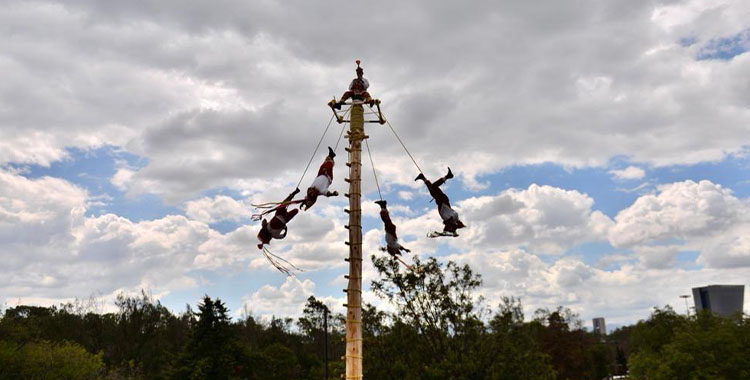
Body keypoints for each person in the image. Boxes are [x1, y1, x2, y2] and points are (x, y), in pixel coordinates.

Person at [415, 168, 466, 235]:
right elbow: (450, 223)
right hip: (442, 200)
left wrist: (450, 231)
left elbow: (452, 223)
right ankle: (447, 176)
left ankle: (423, 177)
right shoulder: (451, 218)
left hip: (442, 200)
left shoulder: (453, 218)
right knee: (433, 188)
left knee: (432, 189)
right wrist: (448, 231)